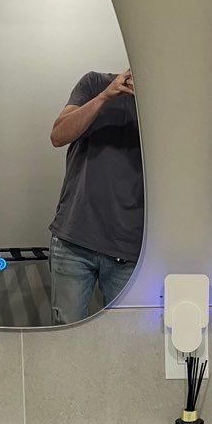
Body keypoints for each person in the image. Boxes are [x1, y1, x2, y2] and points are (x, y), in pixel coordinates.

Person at [48, 67, 143, 323]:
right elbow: (58, 136)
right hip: (74, 241)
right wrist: (104, 96)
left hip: (130, 248)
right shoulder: (95, 83)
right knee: (66, 338)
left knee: (125, 340)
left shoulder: (163, 105)